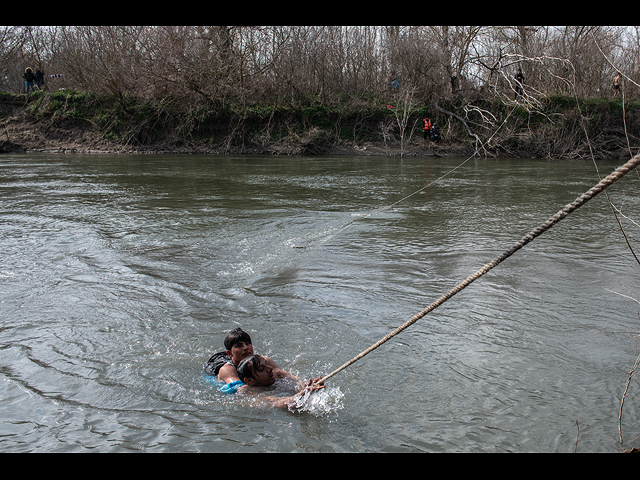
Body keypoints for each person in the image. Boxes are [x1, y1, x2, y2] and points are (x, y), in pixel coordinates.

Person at [203, 327, 296, 393]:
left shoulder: (264, 360)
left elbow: (281, 374)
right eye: (239, 345)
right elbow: (241, 389)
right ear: (229, 353)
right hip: (214, 369)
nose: (246, 348)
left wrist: (301, 385)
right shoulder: (227, 369)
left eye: (248, 344)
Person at [236, 354, 325, 409]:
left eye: (267, 364)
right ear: (250, 381)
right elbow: (277, 402)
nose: (270, 368)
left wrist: (310, 386)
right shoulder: (247, 393)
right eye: (261, 369)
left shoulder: (278, 375)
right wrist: (302, 394)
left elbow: (297, 384)